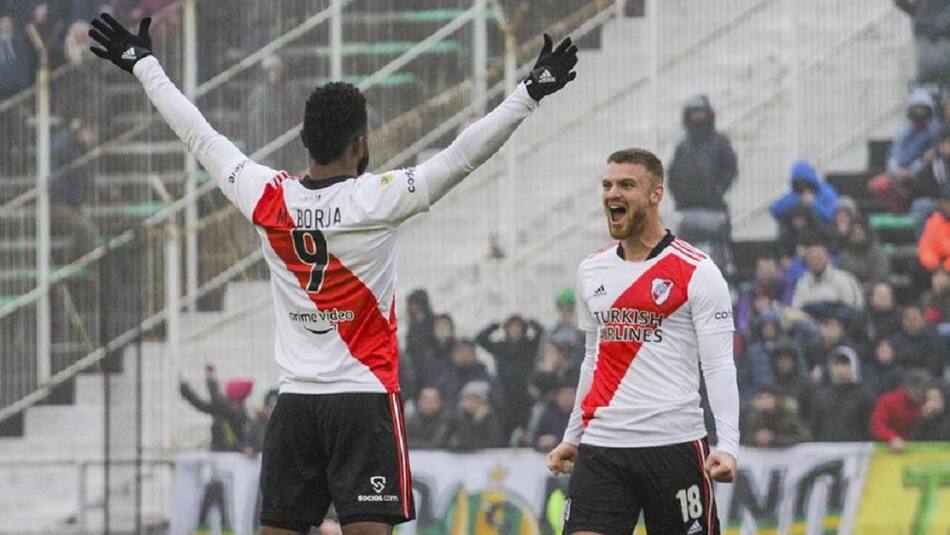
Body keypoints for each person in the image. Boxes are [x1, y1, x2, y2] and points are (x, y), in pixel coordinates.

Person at [88, 14, 579, 534]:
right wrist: (529, 92)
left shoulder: (265, 195)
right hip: (364, 400)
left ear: (304, 140)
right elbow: (461, 155)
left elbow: (200, 136)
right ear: (360, 145)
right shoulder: (379, 197)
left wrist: (144, 65)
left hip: (296, 403)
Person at [546, 148, 739, 535]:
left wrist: (728, 445)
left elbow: (718, 365)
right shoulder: (591, 269)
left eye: (626, 185)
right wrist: (573, 437)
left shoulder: (698, 271)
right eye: (607, 185)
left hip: (674, 444)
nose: (612, 194)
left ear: (656, 194)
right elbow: (592, 360)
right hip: (603, 446)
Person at [667, 94, 738, 270]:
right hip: (687, 211)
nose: (697, 117)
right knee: (685, 262)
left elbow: (731, 168)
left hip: (713, 210)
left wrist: (717, 190)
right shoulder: (682, 146)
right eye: (694, 112)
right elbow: (672, 175)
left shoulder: (720, 142)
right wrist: (681, 196)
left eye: (701, 112)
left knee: (717, 261)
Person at [868, 89, 941, 212]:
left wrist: (913, 169)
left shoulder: (935, 131)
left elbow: (929, 156)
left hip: (922, 175)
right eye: (915, 109)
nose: (919, 113)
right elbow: (894, 154)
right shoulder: (904, 130)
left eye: (922, 109)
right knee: (878, 184)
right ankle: (901, 210)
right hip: (900, 173)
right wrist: (896, 170)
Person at [476, 314, 544, 438]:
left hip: (525, 394)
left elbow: (543, 336)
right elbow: (480, 339)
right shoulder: (500, 347)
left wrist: (533, 323)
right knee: (504, 427)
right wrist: (494, 327)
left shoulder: (529, 346)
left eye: (518, 327)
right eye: (511, 327)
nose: (515, 330)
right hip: (505, 394)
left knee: (525, 427)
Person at [809, 347, 874, 442]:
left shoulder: (865, 396)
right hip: (826, 451)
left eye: (845, 364)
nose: (840, 369)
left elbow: (869, 427)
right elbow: (815, 427)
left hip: (855, 452)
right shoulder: (821, 396)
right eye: (836, 364)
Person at [770, 160, 839, 244]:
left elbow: (832, 216)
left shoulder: (827, 192)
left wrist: (814, 204)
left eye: (805, 183)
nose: (802, 186)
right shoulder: (795, 195)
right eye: (798, 183)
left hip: (821, 233)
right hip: (796, 235)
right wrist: (799, 199)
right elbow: (774, 210)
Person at [791, 244, 865, 314]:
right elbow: (797, 309)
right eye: (812, 259)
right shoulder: (802, 283)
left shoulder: (843, 279)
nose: (816, 262)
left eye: (819, 258)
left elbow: (855, 308)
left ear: (828, 258)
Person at [870, 369, 931, 451]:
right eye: (916, 392)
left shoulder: (930, 401)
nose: (920, 396)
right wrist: (892, 438)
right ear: (908, 388)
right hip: (892, 448)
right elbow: (877, 425)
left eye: (923, 392)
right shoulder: (888, 401)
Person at [894, 0, 950, 84]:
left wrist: (916, 14)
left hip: (924, 33)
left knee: (928, 76)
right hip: (943, 35)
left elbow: (900, 2)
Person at [740, 385, 811, 448]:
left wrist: (774, 439)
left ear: (776, 399)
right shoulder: (754, 417)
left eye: (768, 397)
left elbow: (805, 436)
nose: (764, 401)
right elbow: (745, 437)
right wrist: (756, 438)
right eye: (760, 398)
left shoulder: (786, 415)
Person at [444, 381, 505, 451]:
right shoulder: (455, 418)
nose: (471, 403)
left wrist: (476, 422)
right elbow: (446, 439)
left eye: (475, 400)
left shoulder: (490, 418)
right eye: (468, 399)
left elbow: (494, 441)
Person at [890, 305, 946, 377]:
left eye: (915, 319)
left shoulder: (933, 337)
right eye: (908, 319)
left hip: (930, 378)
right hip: (903, 379)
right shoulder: (895, 340)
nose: (911, 323)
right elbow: (895, 365)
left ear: (923, 320)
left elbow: (936, 363)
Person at [0, 15, 33, 101]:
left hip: (19, 87)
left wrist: (25, 84)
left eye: (8, 22)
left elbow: (26, 63)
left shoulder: (21, 41)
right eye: (3, 22)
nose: (6, 25)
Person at [918, 192, 950, 273]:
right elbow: (925, 247)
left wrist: (946, 269)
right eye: (946, 202)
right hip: (937, 265)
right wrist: (936, 267)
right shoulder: (934, 220)